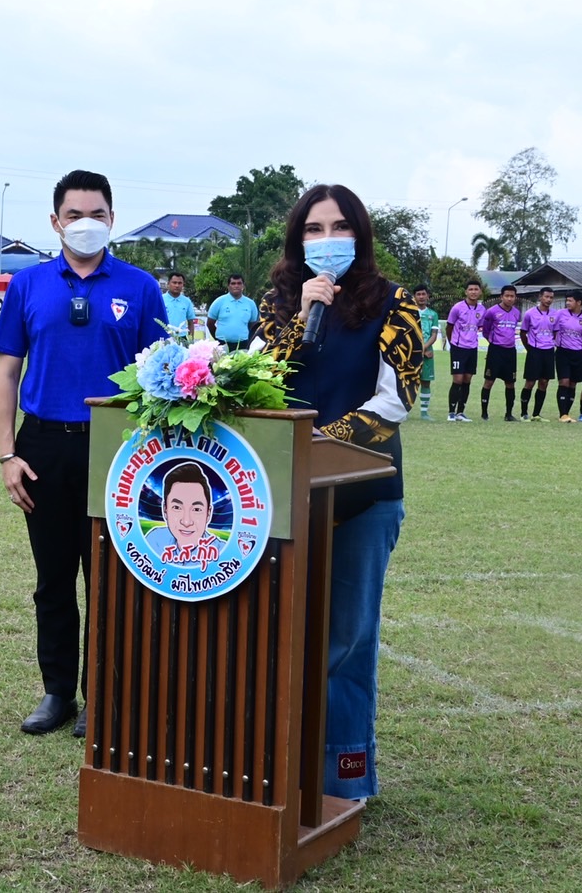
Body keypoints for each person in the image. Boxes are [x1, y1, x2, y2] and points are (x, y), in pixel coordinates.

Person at [256, 183, 421, 801]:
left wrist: (326, 442)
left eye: (339, 227)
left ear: (361, 235)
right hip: (284, 496)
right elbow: (258, 382)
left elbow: (394, 399)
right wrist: (300, 318)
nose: (327, 241)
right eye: (314, 229)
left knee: (347, 639)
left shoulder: (394, 304)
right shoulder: (278, 305)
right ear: (299, 239)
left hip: (363, 497)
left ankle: (342, 777)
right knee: (279, 635)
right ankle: (280, 768)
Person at [0, 168, 168, 738]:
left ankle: (104, 696)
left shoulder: (140, 287)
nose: (85, 224)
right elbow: (7, 371)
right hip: (42, 445)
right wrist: (6, 454)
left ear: (112, 219)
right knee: (53, 579)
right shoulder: (28, 285)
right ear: (54, 221)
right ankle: (57, 692)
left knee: (111, 582)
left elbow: (161, 376)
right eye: (74, 215)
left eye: (96, 214)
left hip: (118, 450)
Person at [143, 462, 216, 552]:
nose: (186, 522)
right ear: (165, 510)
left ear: (208, 513)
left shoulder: (222, 553)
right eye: (177, 508)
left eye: (197, 509)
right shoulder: (155, 541)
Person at [479, 284, 522, 421]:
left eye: (512, 296)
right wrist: (493, 342)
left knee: (510, 383)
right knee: (489, 381)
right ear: (501, 297)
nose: (509, 299)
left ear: (515, 298)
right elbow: (486, 331)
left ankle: (508, 414)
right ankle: (484, 413)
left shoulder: (516, 313)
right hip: (495, 350)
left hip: (510, 351)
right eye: (507, 296)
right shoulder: (491, 312)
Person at [444, 280, 485, 421]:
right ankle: (451, 412)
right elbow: (449, 327)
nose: (473, 292)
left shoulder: (481, 310)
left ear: (480, 292)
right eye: (471, 289)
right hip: (458, 348)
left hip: (472, 348)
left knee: (467, 379)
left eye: (476, 289)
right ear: (466, 292)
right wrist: (453, 344)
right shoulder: (457, 308)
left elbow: (479, 326)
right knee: (458, 379)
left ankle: (460, 412)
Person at [518, 287, 557, 420]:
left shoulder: (554, 314)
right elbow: (523, 332)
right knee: (530, 382)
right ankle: (524, 413)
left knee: (544, 382)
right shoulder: (530, 313)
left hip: (549, 351)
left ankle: (536, 414)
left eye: (551, 297)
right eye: (546, 297)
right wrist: (529, 348)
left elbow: (556, 332)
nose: (549, 300)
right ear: (540, 297)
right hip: (534, 350)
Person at [551, 294, 582, 422]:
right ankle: (563, 414)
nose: (567, 303)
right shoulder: (560, 313)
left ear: (579, 302)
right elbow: (552, 328)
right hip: (562, 352)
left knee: (573, 383)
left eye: (570, 300)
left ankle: (567, 413)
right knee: (564, 382)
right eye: (566, 300)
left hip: (578, 353)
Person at [207, 274, 258, 351]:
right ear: (228, 286)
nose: (236, 286)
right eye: (233, 283)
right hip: (222, 344)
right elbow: (210, 323)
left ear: (243, 286)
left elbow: (253, 326)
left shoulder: (250, 304)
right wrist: (218, 339)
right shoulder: (219, 302)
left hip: (243, 344)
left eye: (239, 283)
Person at [412, 285, 439, 419]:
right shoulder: (409, 312)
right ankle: (404, 412)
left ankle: (424, 412)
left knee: (426, 382)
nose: (421, 297)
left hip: (427, 353)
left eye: (424, 294)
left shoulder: (433, 314)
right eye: (418, 294)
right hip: (410, 352)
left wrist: (423, 349)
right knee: (408, 382)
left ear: (428, 296)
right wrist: (416, 349)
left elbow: (434, 335)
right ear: (414, 297)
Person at [162, 272, 196, 341]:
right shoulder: (161, 299)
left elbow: (190, 323)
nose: (177, 285)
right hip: (165, 337)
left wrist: (191, 341)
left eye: (180, 283)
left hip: (182, 338)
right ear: (168, 284)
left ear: (183, 285)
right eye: (174, 282)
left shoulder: (187, 301)